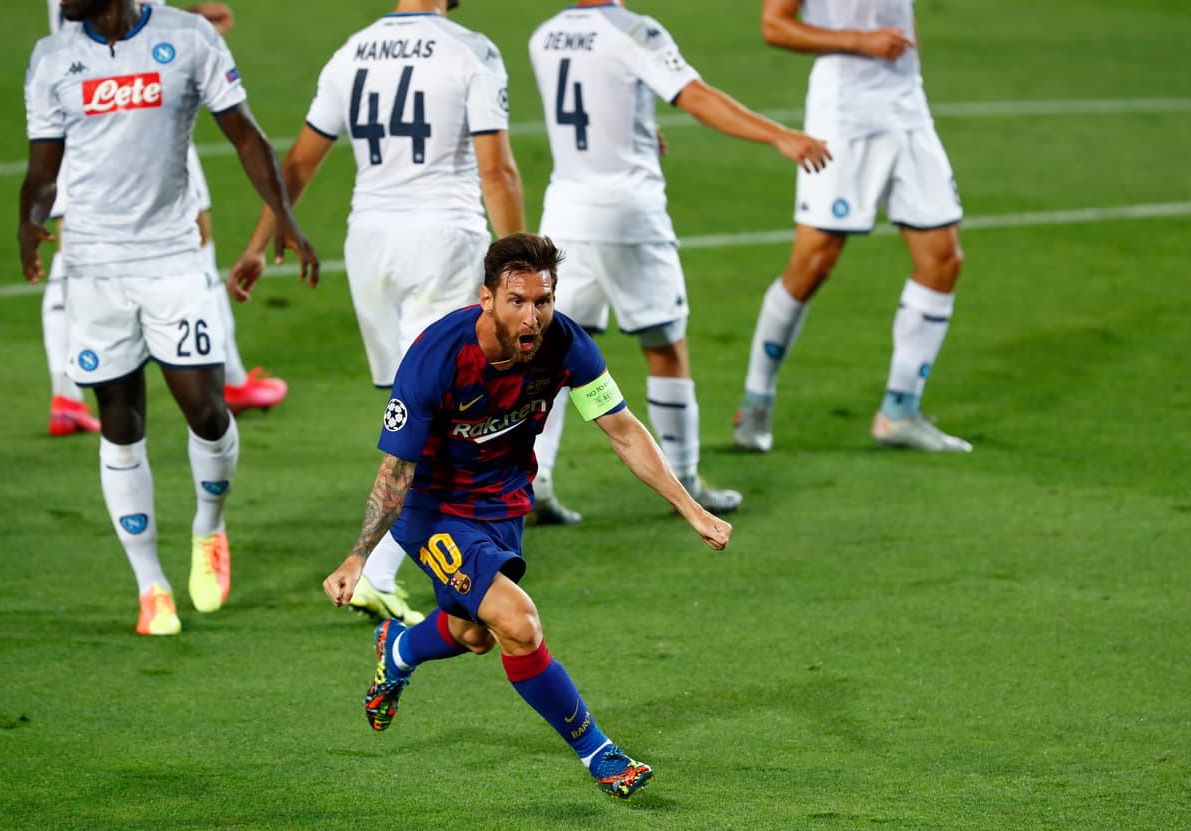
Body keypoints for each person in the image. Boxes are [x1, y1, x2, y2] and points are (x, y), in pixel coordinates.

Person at [322, 233, 731, 799]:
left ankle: (398, 649)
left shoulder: (566, 345)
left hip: (503, 503)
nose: (532, 316)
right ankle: (599, 754)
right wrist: (358, 557)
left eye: (543, 300)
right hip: (435, 509)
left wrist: (690, 509)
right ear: (487, 298)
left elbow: (621, 428)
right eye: (518, 300)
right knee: (518, 623)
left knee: (475, 634)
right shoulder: (435, 357)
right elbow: (396, 471)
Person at [20, 0, 319, 634]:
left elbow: (246, 135)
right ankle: (150, 585)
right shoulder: (52, 56)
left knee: (208, 414)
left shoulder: (187, 38)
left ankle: (209, 529)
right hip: (96, 267)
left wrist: (283, 219)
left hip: (173, 262)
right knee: (119, 423)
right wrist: (30, 218)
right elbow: (42, 165)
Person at [230, 0, 524, 625]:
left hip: (368, 245)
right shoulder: (471, 49)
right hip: (442, 237)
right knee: (448, 416)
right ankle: (383, 568)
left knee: (414, 408)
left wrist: (260, 241)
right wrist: (524, 272)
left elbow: (300, 162)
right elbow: (496, 169)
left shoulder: (352, 50)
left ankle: (396, 561)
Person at [526, 0, 832, 525]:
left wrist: (639, 129)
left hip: (566, 215)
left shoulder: (545, 36)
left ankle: (536, 481)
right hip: (630, 217)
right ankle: (685, 478)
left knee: (551, 356)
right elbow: (696, 97)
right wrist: (780, 134)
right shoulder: (635, 30)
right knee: (664, 346)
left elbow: (600, 106)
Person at [39, 0, 288, 439]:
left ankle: (69, 394)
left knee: (76, 246)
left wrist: (183, 22)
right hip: (124, 103)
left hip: (95, 95)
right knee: (182, 231)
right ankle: (224, 374)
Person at [733, 0, 970, 453]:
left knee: (942, 258)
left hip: (907, 110)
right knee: (814, 262)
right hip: (843, 115)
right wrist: (860, 42)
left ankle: (900, 410)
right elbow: (775, 26)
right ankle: (755, 403)